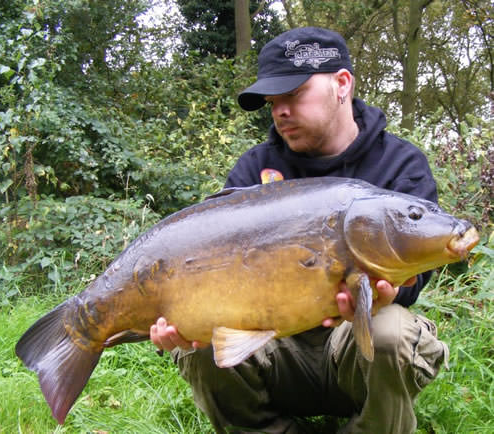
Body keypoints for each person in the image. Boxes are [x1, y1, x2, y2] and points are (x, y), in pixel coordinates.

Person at [150, 27, 449, 433]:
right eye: (273, 101)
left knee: (392, 331)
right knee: (201, 344)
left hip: (355, 351)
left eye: (293, 95)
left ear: (342, 84)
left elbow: (416, 278)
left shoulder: (400, 166)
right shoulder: (254, 171)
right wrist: (182, 318)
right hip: (276, 352)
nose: (279, 111)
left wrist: (389, 289)